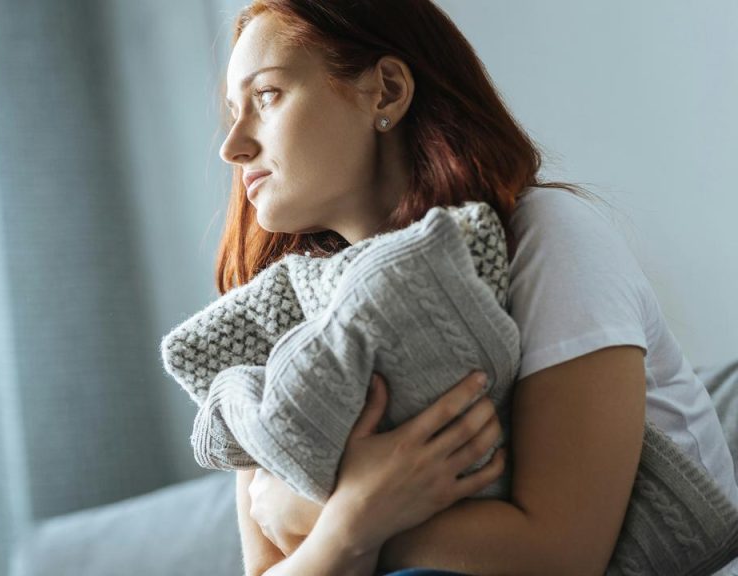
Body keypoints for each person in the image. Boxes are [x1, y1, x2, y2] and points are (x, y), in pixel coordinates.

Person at [214, 1, 738, 575]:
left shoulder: (543, 236)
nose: (233, 146)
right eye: (233, 113)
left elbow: (562, 558)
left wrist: (332, 515)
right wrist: (347, 525)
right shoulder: (274, 321)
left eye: (266, 97)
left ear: (385, 91)